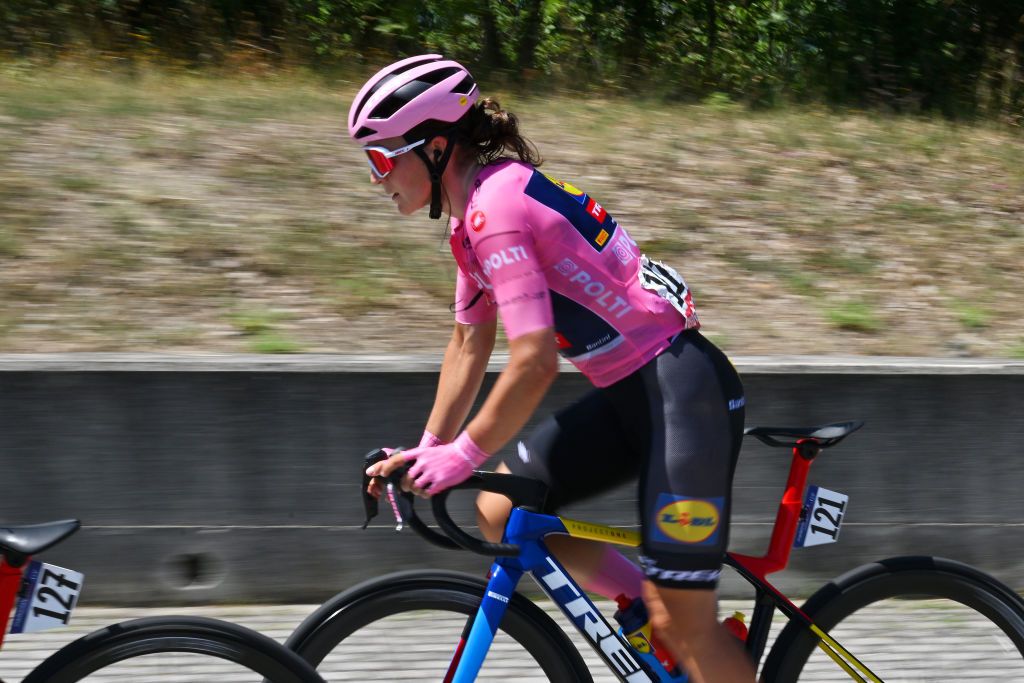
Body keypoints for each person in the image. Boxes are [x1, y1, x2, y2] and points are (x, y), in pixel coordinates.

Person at [355, 54, 753, 683]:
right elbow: (468, 343)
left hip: (684, 398)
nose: (376, 179)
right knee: (501, 509)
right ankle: (646, 615)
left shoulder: (495, 212)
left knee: (686, 621)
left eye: (380, 159)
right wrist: (428, 448)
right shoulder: (474, 219)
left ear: (433, 148)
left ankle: (677, 625)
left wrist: (461, 454)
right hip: (630, 397)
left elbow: (535, 360)